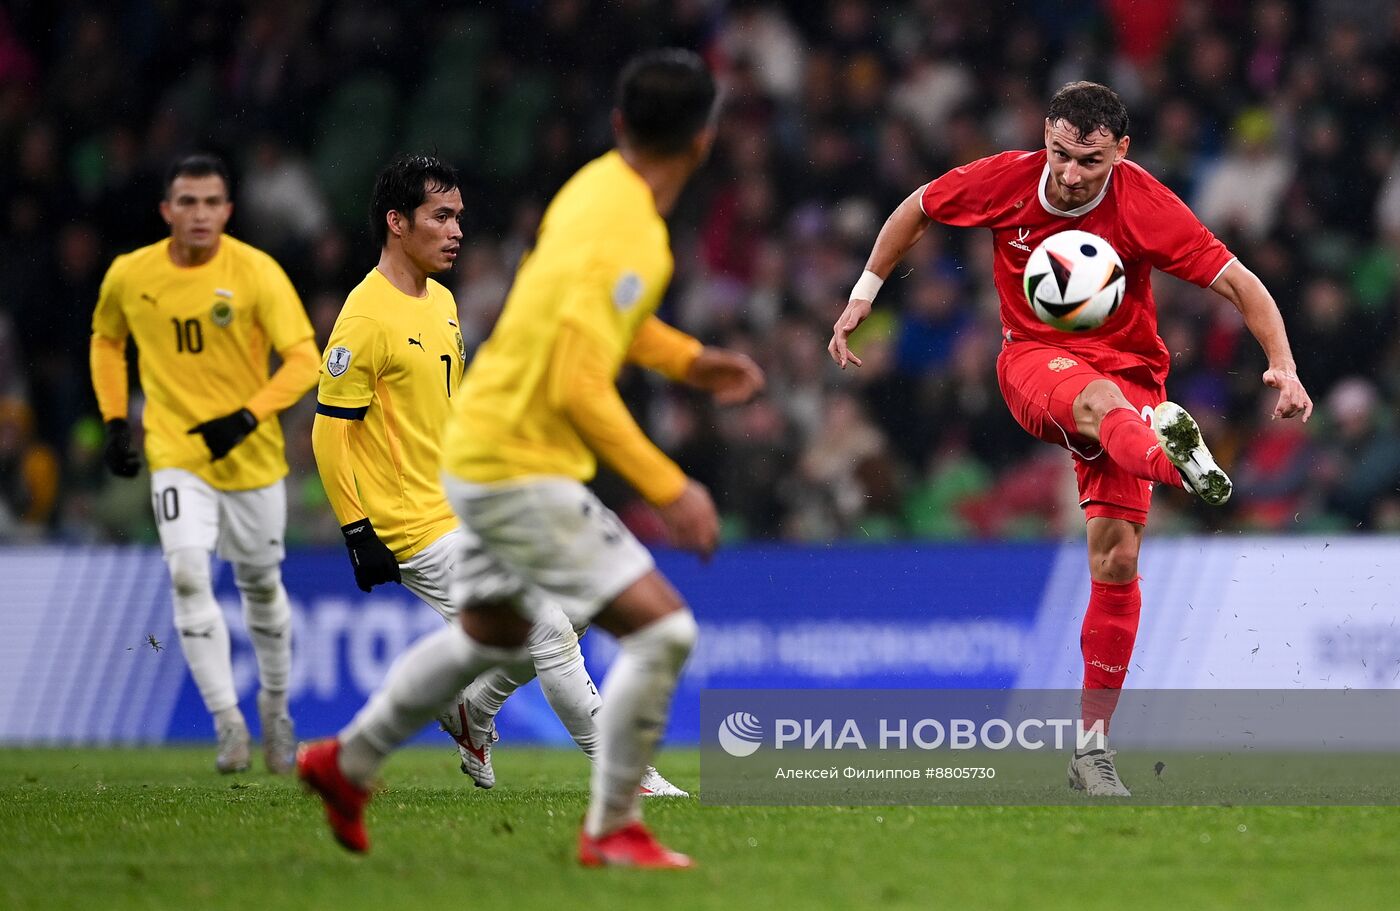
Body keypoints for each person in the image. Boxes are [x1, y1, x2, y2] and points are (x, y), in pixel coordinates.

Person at [298, 49, 764, 867]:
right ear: (704, 142)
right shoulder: (638, 236)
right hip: (513, 460)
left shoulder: (588, 191)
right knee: (660, 628)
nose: (454, 231)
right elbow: (584, 384)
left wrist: (688, 360)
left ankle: (347, 761)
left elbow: (588, 319)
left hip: (481, 452)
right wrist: (672, 485)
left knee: (495, 630)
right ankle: (615, 820)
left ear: (620, 127)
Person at [828, 82, 1313, 796]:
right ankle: (1175, 461)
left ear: (1121, 151)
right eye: (1059, 152)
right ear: (1044, 136)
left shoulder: (1145, 203)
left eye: (1088, 160)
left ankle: (1091, 750)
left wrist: (1283, 363)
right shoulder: (1008, 178)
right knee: (1099, 401)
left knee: (1115, 559)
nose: (1070, 172)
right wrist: (864, 292)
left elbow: (1241, 284)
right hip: (1035, 362)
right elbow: (918, 208)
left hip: (1134, 378)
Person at [310, 153, 685, 796]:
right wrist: (355, 529)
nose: (457, 230)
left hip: (470, 504)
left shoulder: (443, 301)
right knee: (545, 622)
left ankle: (471, 710)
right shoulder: (366, 317)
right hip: (413, 525)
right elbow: (328, 429)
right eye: (441, 216)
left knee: (580, 601)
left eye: (459, 216)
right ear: (397, 222)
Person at [90, 154, 320, 773]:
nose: (199, 214)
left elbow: (304, 358)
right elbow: (107, 340)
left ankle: (276, 714)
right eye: (187, 202)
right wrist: (115, 420)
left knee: (261, 586)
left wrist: (247, 416)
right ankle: (228, 726)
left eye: (211, 202)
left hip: (252, 459)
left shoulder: (256, 272)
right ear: (166, 211)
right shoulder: (130, 275)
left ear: (228, 211)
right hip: (176, 454)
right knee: (189, 575)